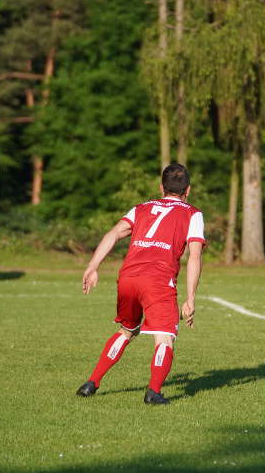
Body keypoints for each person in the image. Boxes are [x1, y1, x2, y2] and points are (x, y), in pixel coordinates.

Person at [76, 163, 205, 405]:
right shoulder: (192, 214)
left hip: (128, 277)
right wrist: (190, 298)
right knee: (165, 337)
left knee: (128, 329)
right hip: (157, 280)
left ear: (161, 187)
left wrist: (92, 267)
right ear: (188, 190)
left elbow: (113, 233)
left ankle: (91, 383)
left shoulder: (142, 208)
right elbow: (195, 256)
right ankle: (153, 392)